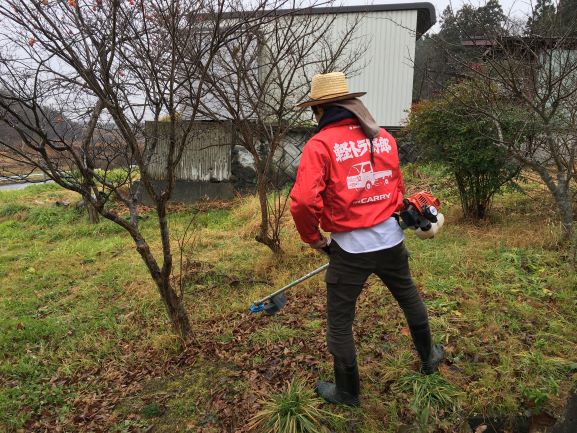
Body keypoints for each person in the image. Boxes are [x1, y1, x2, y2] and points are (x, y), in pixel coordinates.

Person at [289, 72, 444, 407]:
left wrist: (314, 240)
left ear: (321, 109)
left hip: (349, 249)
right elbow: (397, 186)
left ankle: (347, 392)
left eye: (314, 110)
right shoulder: (385, 137)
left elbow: (303, 202)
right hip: (391, 240)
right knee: (408, 297)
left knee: (341, 322)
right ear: (349, 104)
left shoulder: (320, 145)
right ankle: (429, 357)